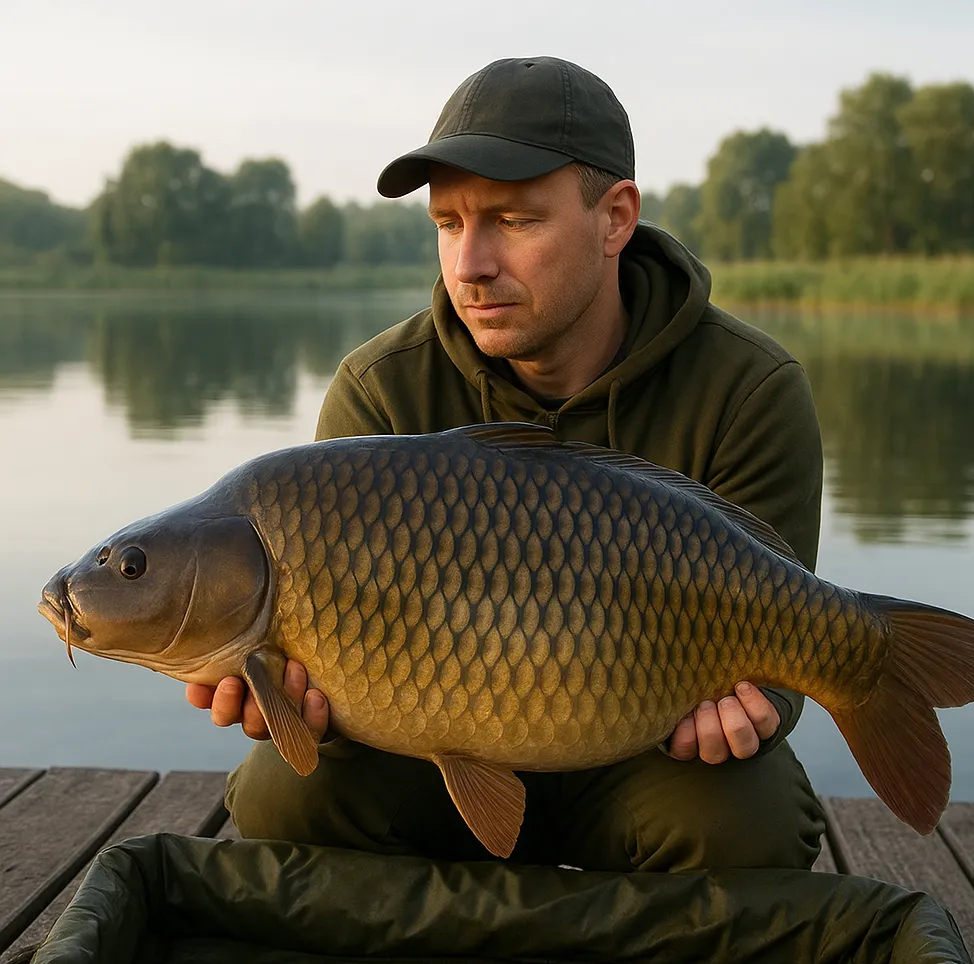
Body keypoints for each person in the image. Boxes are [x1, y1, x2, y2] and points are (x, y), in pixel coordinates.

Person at [188, 56, 826, 871]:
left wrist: (761, 705)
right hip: (425, 761)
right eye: (448, 224)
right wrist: (289, 701)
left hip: (647, 757)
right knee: (284, 796)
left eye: (514, 221)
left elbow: (789, 643)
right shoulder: (379, 391)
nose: (470, 264)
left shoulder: (748, 389)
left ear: (615, 218)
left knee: (752, 826)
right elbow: (316, 656)